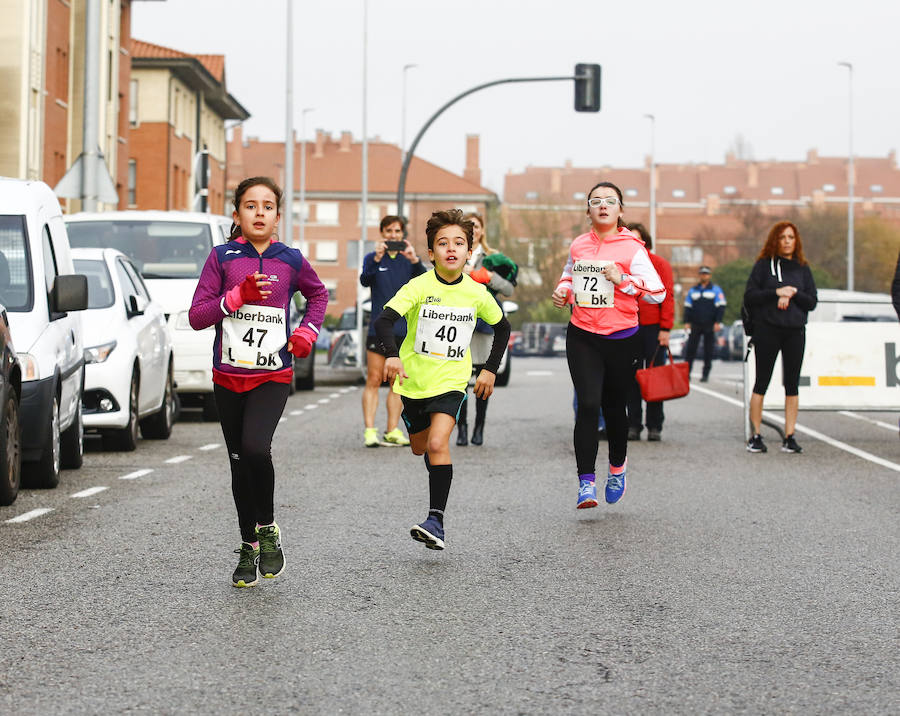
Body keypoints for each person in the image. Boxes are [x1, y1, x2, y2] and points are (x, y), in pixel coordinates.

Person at [189, 176, 328, 588]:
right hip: (228, 376)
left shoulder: (291, 259)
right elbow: (198, 315)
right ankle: (248, 547)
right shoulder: (222, 257)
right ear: (237, 214)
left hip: (272, 374)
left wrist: (306, 333)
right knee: (237, 465)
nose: (260, 212)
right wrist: (235, 297)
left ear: (278, 216)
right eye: (251, 206)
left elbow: (318, 297)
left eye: (267, 206)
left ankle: (267, 529)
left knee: (255, 448)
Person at [375, 209, 510, 550]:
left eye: (459, 243)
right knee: (421, 446)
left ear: (469, 251)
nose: (452, 249)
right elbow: (384, 321)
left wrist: (490, 369)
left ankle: (436, 520)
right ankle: (429, 464)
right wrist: (392, 355)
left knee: (438, 444)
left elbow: (502, 326)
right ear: (431, 253)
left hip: (452, 381)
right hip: (413, 383)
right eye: (443, 243)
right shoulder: (418, 286)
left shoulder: (477, 293)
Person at [551, 182, 665, 509]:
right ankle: (585, 483)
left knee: (615, 408)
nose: (603, 206)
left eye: (610, 201)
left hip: (622, 338)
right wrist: (563, 291)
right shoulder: (578, 246)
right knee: (588, 404)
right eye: (596, 201)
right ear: (587, 210)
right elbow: (568, 276)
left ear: (620, 211)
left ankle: (617, 469)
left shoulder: (633, 249)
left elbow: (657, 292)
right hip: (583, 333)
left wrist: (624, 281)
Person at [744, 220, 817, 454]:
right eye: (783, 237)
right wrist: (777, 291)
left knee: (792, 384)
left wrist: (793, 292)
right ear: (776, 240)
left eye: (791, 237)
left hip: (795, 331)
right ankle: (755, 435)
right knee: (762, 381)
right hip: (768, 330)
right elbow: (751, 296)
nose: (787, 241)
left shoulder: (802, 268)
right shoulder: (764, 266)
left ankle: (790, 435)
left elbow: (812, 301)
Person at [359, 215, 426, 448]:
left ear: (403, 234)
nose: (393, 235)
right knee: (374, 379)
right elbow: (365, 280)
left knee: (397, 382)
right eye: (389, 231)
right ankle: (370, 430)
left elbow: (425, 282)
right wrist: (377, 258)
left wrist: (415, 260)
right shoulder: (372, 258)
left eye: (397, 231)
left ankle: (392, 430)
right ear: (382, 233)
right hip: (379, 327)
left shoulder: (409, 261)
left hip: (404, 329)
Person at [456, 211, 515, 446]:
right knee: (459, 380)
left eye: (477, 226)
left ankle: (479, 427)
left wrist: (487, 276)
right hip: (459, 323)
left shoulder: (494, 258)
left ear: (482, 230)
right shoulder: (454, 253)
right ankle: (461, 428)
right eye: (468, 226)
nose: (473, 229)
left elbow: (509, 288)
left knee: (483, 378)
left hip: (484, 324)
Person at [625, 222, 675, 441]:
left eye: (637, 240)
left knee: (655, 378)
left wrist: (665, 328)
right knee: (631, 378)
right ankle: (633, 425)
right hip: (629, 327)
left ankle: (655, 425)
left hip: (654, 329)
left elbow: (668, 297)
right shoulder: (623, 266)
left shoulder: (659, 265)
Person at [683, 265, 727, 382]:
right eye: (702, 274)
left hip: (709, 324)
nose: (704, 276)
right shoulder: (693, 290)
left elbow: (721, 307)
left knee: (708, 351)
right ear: (700, 275)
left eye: (706, 274)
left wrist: (718, 322)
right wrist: (686, 322)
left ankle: (705, 374)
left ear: (709, 275)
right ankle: (687, 374)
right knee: (690, 350)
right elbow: (688, 307)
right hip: (695, 324)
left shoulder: (716, 290)